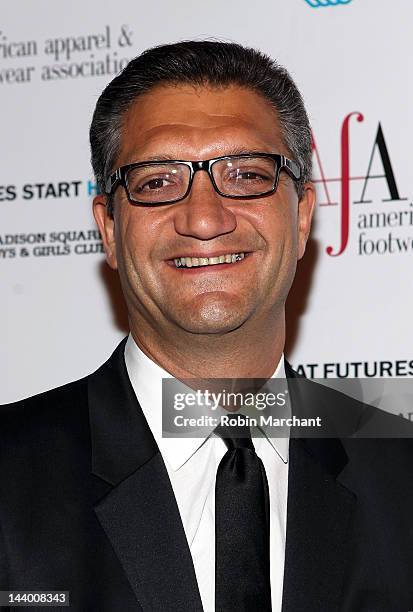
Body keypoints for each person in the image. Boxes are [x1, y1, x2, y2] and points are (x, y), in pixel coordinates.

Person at [1, 41, 412, 612]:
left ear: (301, 218)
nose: (204, 218)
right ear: (110, 230)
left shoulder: (401, 477)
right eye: (156, 181)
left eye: (246, 175)